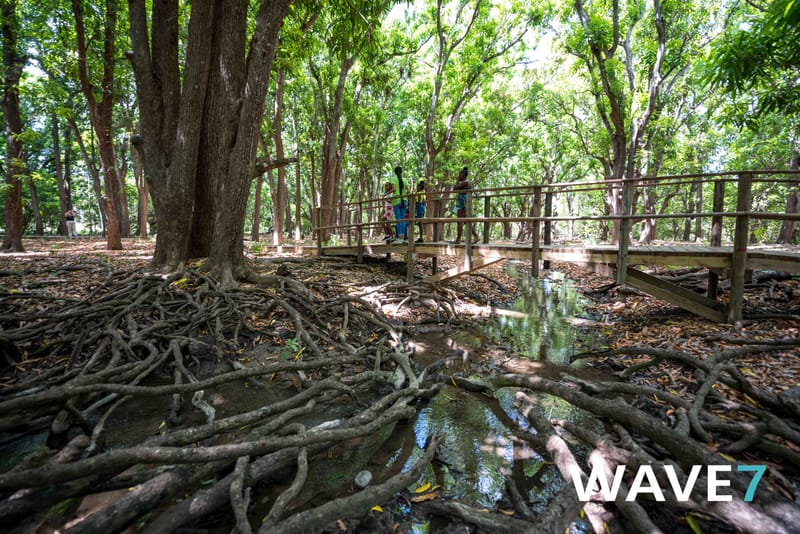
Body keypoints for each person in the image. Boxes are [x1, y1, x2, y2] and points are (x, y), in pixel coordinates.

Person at [452, 166, 479, 244]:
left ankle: (458, 239)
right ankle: (476, 236)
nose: (459, 176)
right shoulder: (466, 182)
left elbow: (454, 188)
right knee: (465, 221)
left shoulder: (465, 182)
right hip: (463, 203)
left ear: (463, 175)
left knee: (459, 221)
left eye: (460, 174)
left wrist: (457, 180)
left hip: (463, 203)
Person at [390, 166, 407, 244]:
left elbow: (393, 189)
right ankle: (403, 237)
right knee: (402, 219)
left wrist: (385, 194)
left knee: (398, 220)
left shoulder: (393, 179)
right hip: (404, 200)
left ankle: (400, 238)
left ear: (395, 172)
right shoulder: (405, 180)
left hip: (396, 201)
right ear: (401, 172)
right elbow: (409, 191)